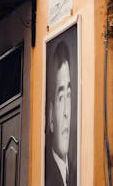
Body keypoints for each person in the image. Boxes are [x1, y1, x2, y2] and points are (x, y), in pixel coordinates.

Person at [46, 40, 74, 186]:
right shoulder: (49, 175)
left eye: (68, 95)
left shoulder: (74, 174)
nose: (66, 113)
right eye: (61, 98)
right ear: (50, 118)